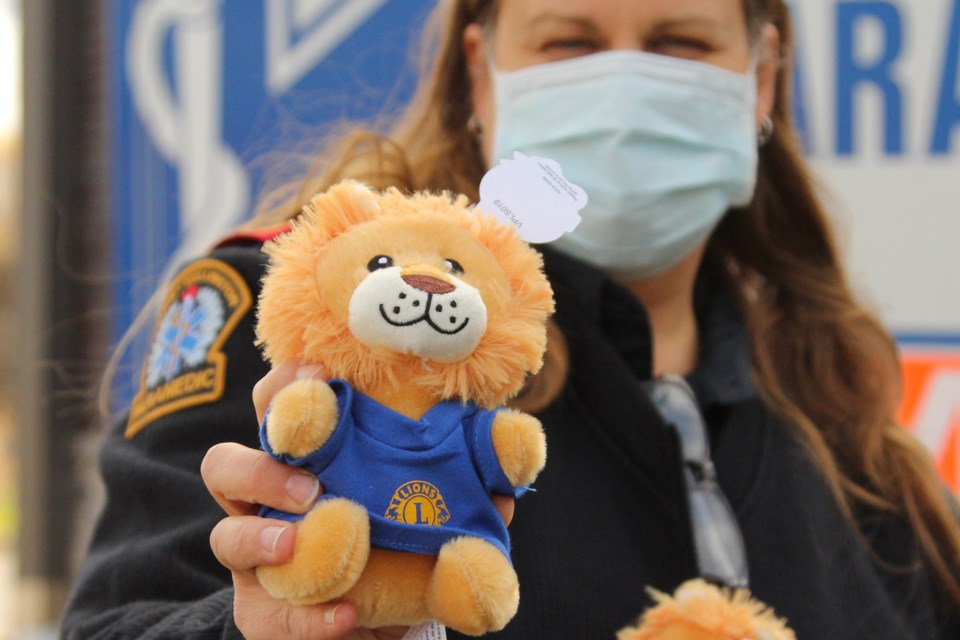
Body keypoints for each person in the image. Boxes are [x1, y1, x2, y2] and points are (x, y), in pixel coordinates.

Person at [62, 0, 960, 638]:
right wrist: (253, 632)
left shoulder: (841, 414)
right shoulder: (307, 320)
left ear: (761, 82)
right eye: (570, 43)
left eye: (679, 44)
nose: (624, 90)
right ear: (481, 78)